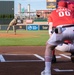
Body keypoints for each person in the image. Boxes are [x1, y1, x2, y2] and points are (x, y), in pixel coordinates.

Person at [41, 1, 74, 75]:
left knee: (49, 47)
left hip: (61, 30)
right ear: (66, 6)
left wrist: (51, 39)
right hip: (73, 29)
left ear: (58, 5)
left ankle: (47, 71)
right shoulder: (71, 11)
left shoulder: (54, 12)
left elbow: (50, 28)